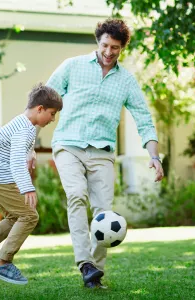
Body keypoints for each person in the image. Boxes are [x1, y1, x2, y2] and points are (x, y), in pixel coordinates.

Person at [43, 19, 164, 288]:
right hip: (68, 145)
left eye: (116, 48)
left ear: (122, 48)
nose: (109, 52)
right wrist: (28, 143)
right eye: (106, 45)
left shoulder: (126, 80)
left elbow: (144, 119)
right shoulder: (72, 66)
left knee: (103, 212)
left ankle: (94, 273)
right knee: (76, 196)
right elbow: (44, 100)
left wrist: (154, 157)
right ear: (98, 41)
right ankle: (84, 263)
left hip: (102, 152)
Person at [0, 83, 62, 285]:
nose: (53, 119)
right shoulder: (24, 129)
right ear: (40, 108)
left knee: (16, 215)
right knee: (29, 215)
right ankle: (2, 261)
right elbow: (16, 160)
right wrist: (27, 187)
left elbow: (21, 146)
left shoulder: (25, 125)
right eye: (52, 114)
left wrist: (31, 152)